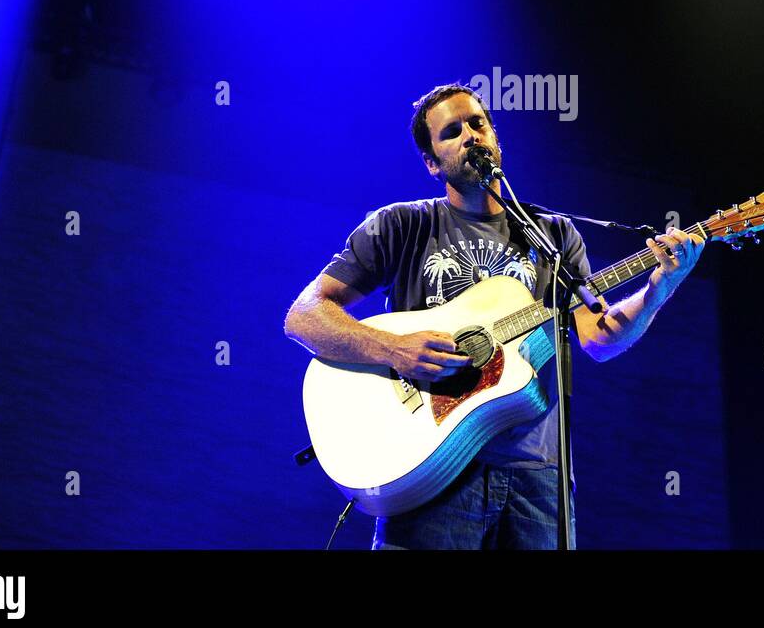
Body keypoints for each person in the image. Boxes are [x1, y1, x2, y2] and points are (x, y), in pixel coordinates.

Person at [284, 82, 704, 549]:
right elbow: (304, 316)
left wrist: (658, 289)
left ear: (495, 136)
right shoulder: (403, 225)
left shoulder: (554, 236)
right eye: (451, 132)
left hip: (537, 479)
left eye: (477, 123)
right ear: (431, 162)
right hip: (432, 465)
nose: (470, 135)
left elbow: (598, 338)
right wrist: (394, 349)